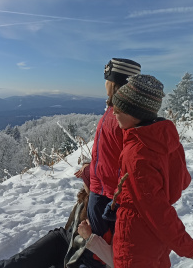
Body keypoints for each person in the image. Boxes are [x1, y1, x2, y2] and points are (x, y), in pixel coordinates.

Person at [106, 74, 193, 267]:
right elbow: (182, 181)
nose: (113, 114)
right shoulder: (165, 138)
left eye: (117, 110)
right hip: (157, 240)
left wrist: (187, 247)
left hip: (135, 240)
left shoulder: (136, 154)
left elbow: (157, 211)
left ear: (133, 113)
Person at [74, 58, 141, 266]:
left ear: (115, 83)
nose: (104, 84)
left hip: (107, 201)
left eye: (106, 79)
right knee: (96, 249)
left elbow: (130, 163)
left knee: (97, 256)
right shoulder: (116, 112)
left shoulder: (123, 117)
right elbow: (110, 154)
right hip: (102, 194)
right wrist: (90, 166)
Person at [0, 186, 105, 268]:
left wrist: (91, 238)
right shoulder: (86, 196)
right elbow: (70, 225)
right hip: (64, 241)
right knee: (18, 263)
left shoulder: (112, 205)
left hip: (87, 259)